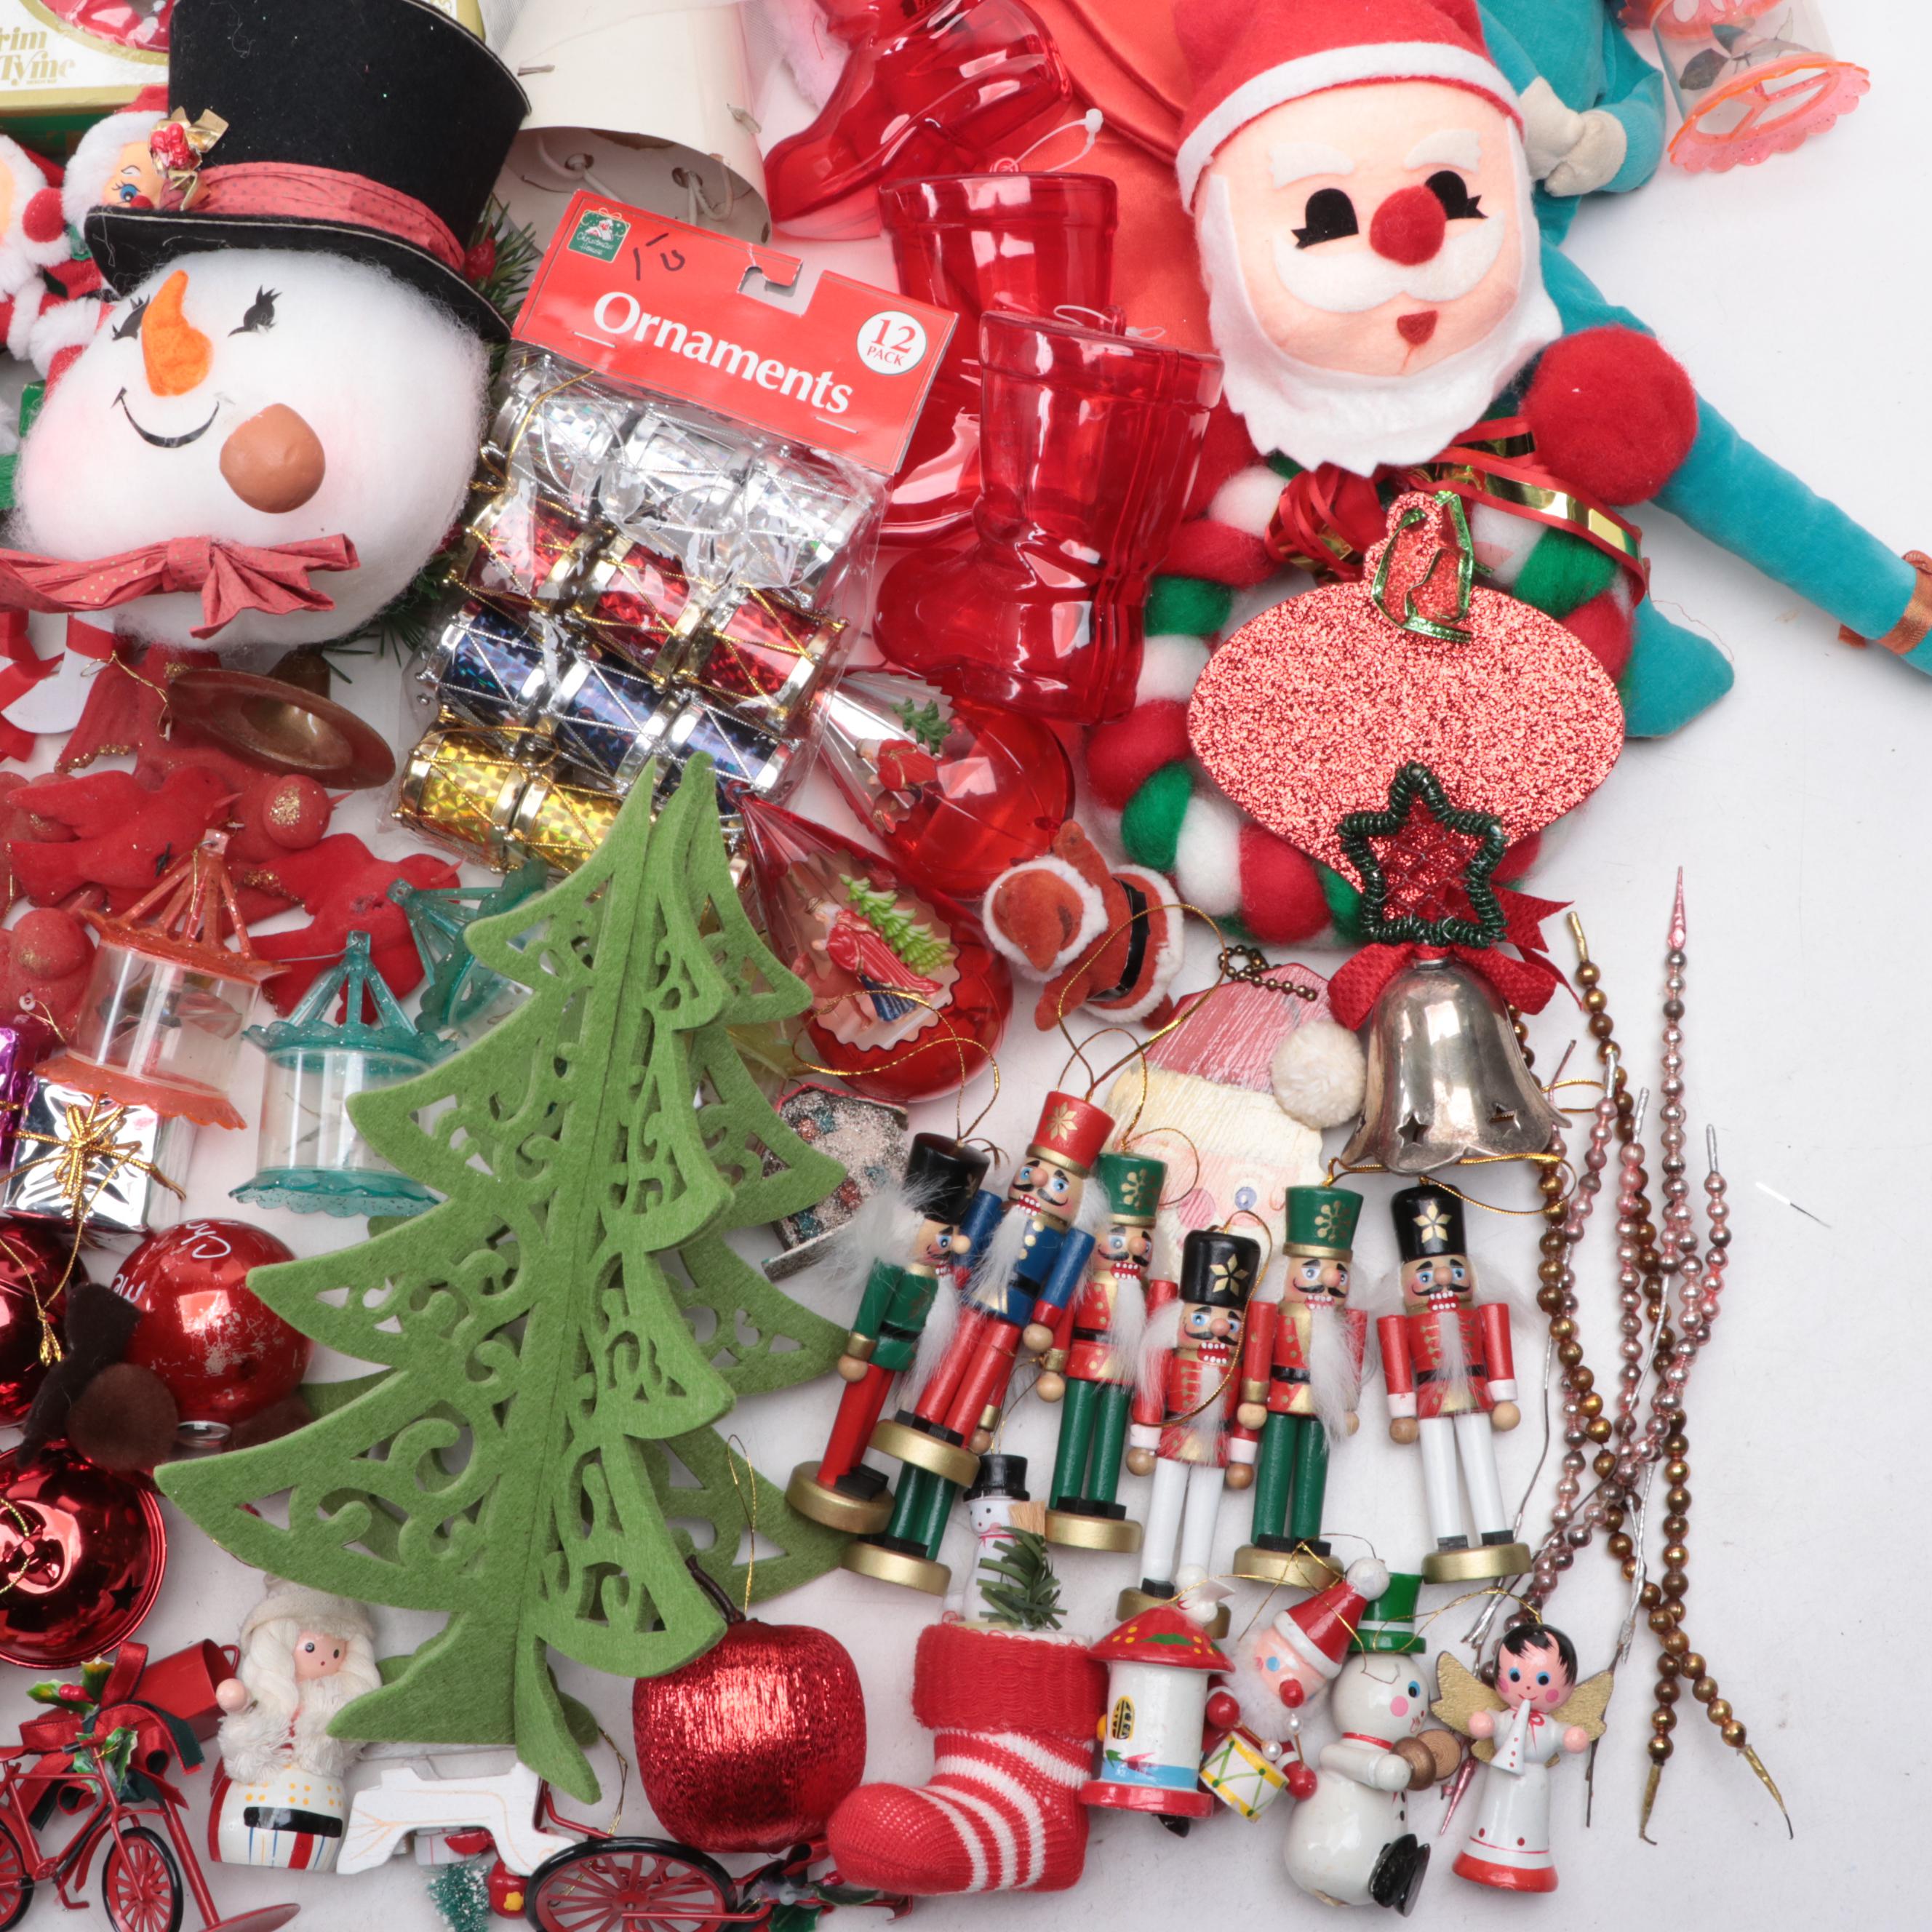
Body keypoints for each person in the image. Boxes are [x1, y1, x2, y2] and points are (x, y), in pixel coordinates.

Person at [212, 1578, 383, 1872]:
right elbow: (244, 1741)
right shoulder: (269, 1702)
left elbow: (340, 1748)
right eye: (311, 1647)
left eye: (336, 1653)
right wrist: (240, 1708)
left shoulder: (334, 1706)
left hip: (321, 1816)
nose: (323, 1661)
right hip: (250, 1815)